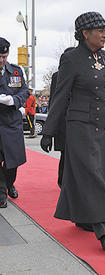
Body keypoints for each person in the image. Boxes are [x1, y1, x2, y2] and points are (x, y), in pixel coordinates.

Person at [40, 12, 105, 251]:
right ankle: (104, 228)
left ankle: (82, 216)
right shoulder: (71, 59)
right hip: (79, 127)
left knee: (102, 175)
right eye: (99, 30)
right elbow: (61, 95)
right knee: (91, 175)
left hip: (104, 127)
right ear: (85, 33)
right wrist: (49, 131)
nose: (104, 34)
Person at [0, 37, 29, 207]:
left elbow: (25, 91)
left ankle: (10, 184)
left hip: (12, 121)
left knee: (13, 159)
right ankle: (1, 192)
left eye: (4, 56)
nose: (2, 60)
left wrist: (13, 100)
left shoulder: (16, 71)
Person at [48, 47, 75, 188]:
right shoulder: (57, 76)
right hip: (63, 121)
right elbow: (54, 100)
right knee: (65, 153)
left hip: (78, 119)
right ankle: (63, 180)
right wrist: (50, 128)